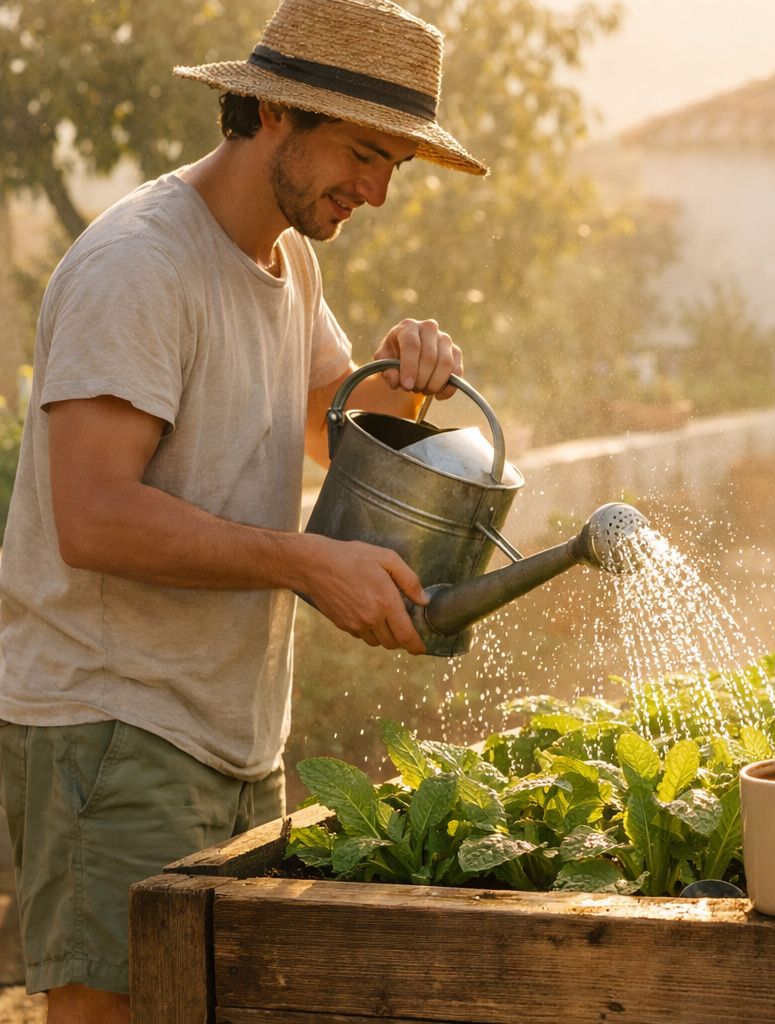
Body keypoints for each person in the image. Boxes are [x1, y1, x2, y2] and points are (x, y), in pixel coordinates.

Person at [0, 0, 489, 1019]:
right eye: (363, 152)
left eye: (394, 163)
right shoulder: (138, 265)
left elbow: (325, 426)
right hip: (112, 721)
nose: (379, 190)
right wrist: (308, 562)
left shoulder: (286, 259)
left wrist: (403, 379)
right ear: (272, 112)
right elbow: (92, 516)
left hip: (228, 729)